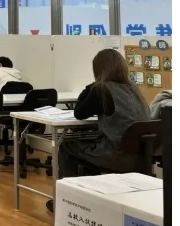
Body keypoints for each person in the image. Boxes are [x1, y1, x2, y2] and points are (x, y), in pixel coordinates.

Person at [48, 49, 150, 212]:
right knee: (86, 150)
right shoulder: (134, 89)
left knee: (67, 145)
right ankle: (92, 196)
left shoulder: (101, 89)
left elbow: (79, 113)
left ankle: (69, 200)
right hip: (142, 156)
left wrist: (92, 86)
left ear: (98, 69)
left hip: (117, 155)